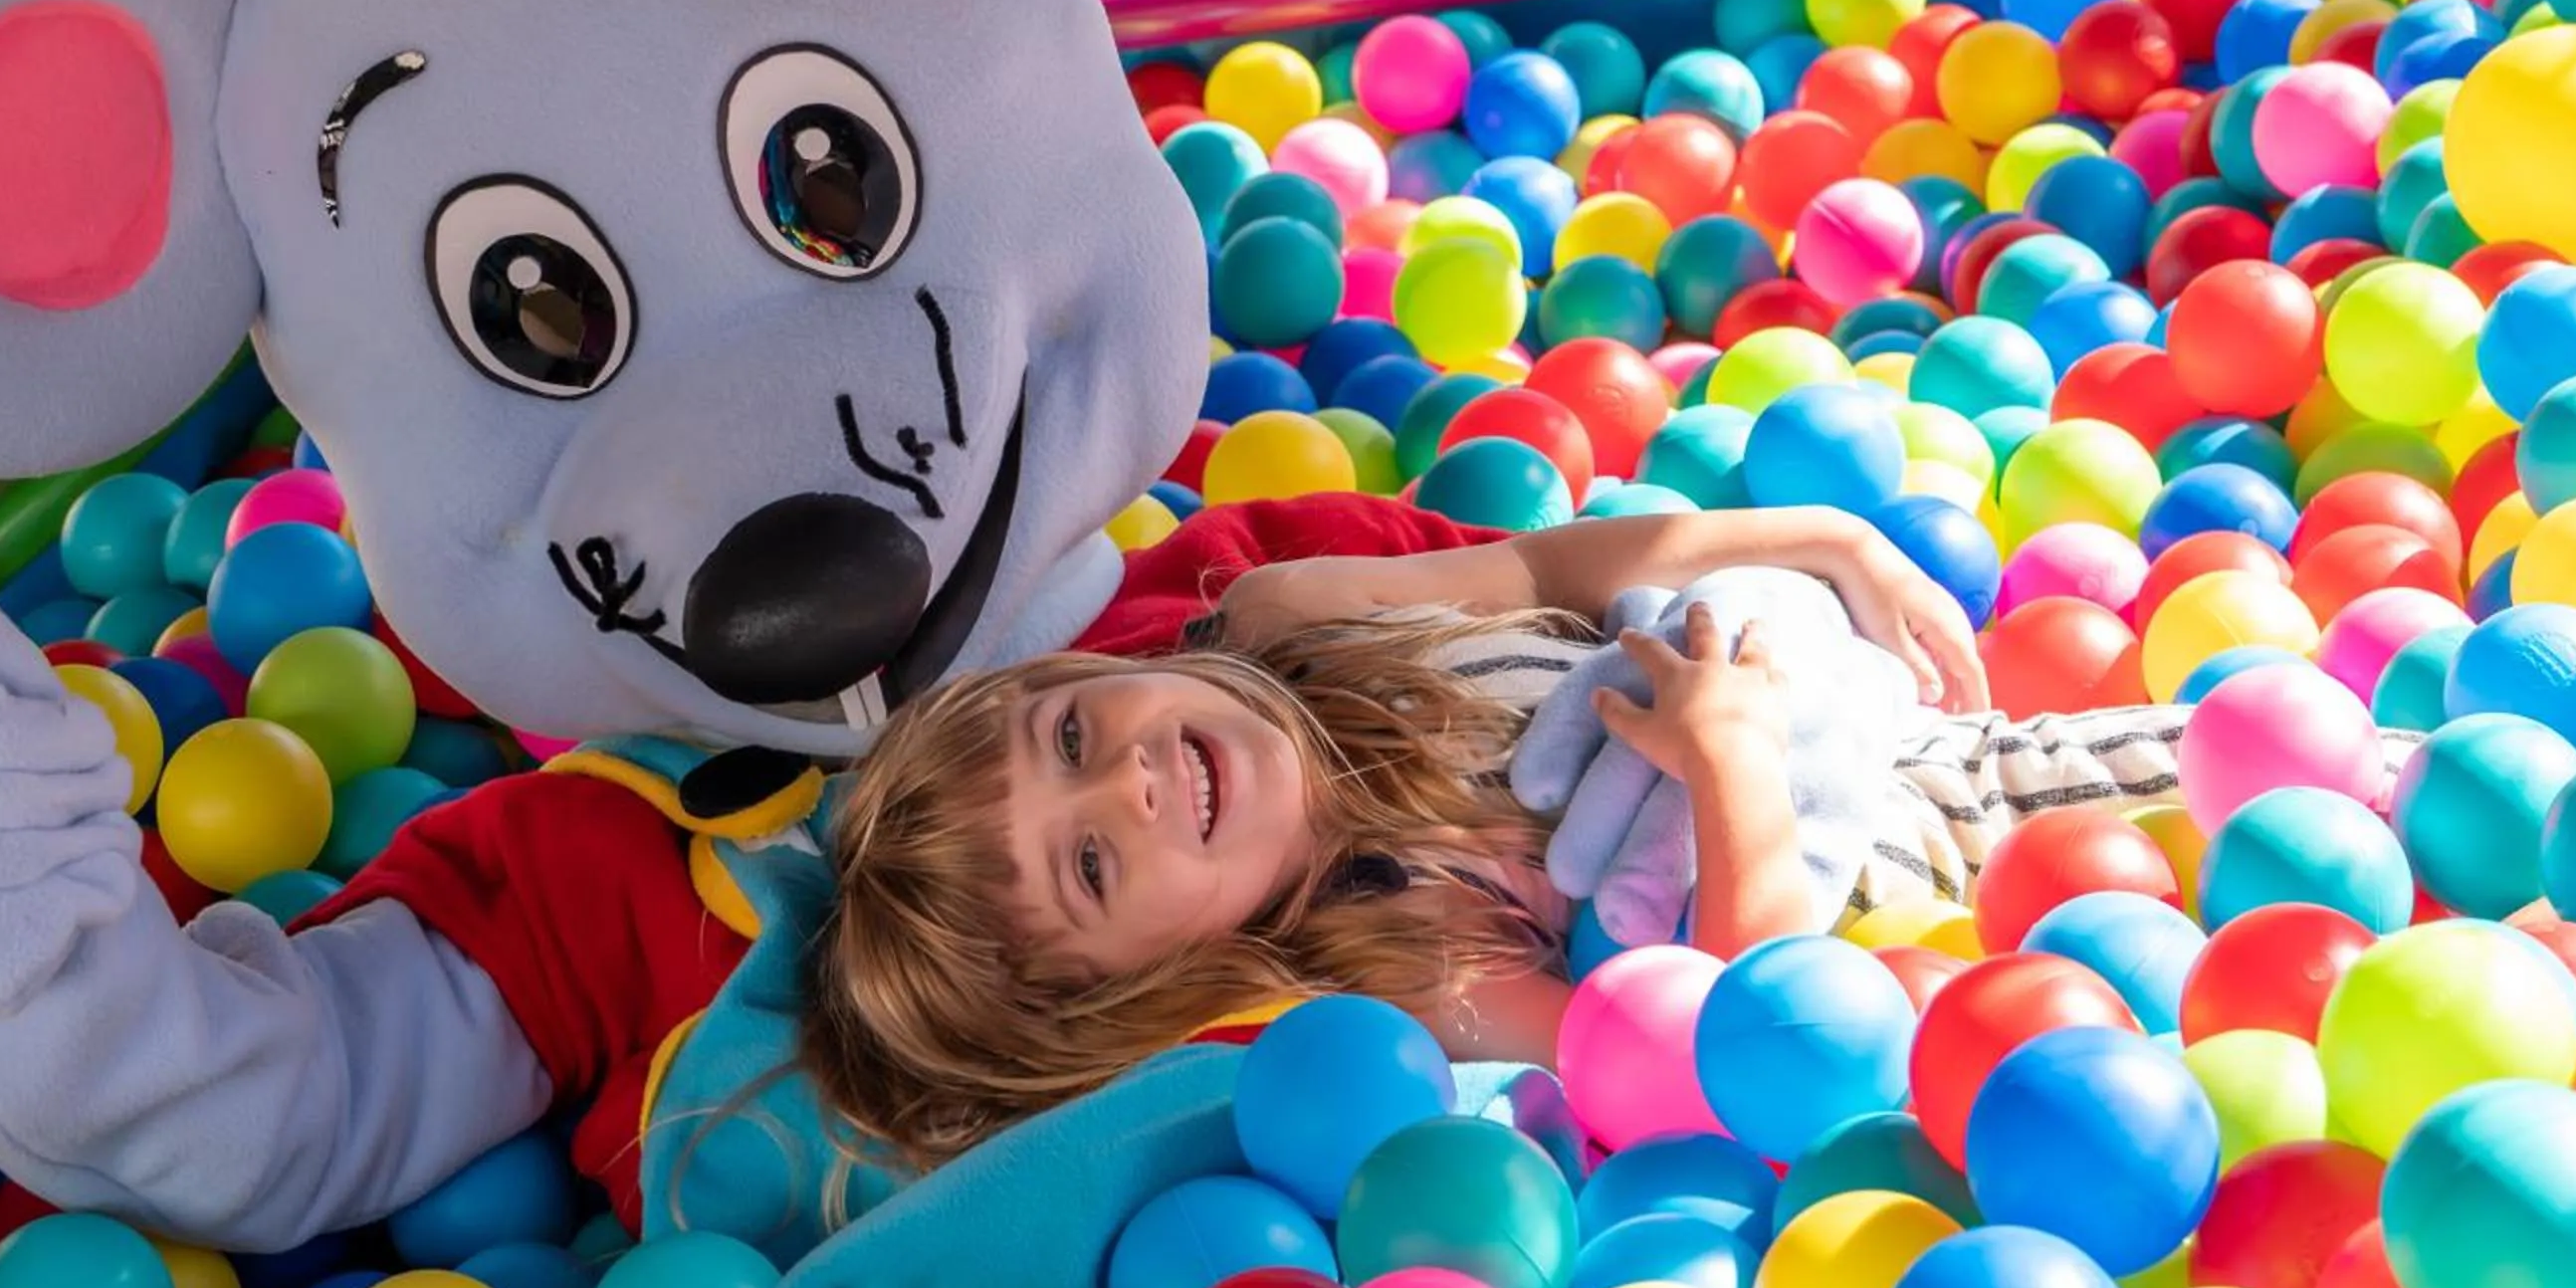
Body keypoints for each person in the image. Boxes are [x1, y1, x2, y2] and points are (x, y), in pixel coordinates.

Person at [791, 504, 2200, 1172]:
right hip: (1949, 888)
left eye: (1073, 737)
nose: (1133, 782)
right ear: (1134, 987)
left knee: (2282, 749)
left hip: (1910, 721)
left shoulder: (1295, 621)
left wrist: (1834, 538)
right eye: (1091, 864)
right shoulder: (1405, 963)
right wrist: (1733, 756)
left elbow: (1558, 566)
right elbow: (1727, 1047)